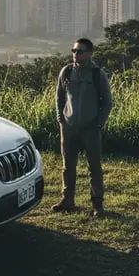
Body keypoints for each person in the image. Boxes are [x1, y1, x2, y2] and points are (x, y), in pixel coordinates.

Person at [51, 38, 113, 217]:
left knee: (94, 167)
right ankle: (67, 200)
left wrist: (98, 124)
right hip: (69, 126)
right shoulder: (67, 71)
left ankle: (97, 205)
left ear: (89, 53)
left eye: (79, 51)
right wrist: (60, 119)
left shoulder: (97, 74)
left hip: (90, 128)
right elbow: (59, 97)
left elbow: (107, 102)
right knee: (67, 165)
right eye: (73, 50)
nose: (75, 54)